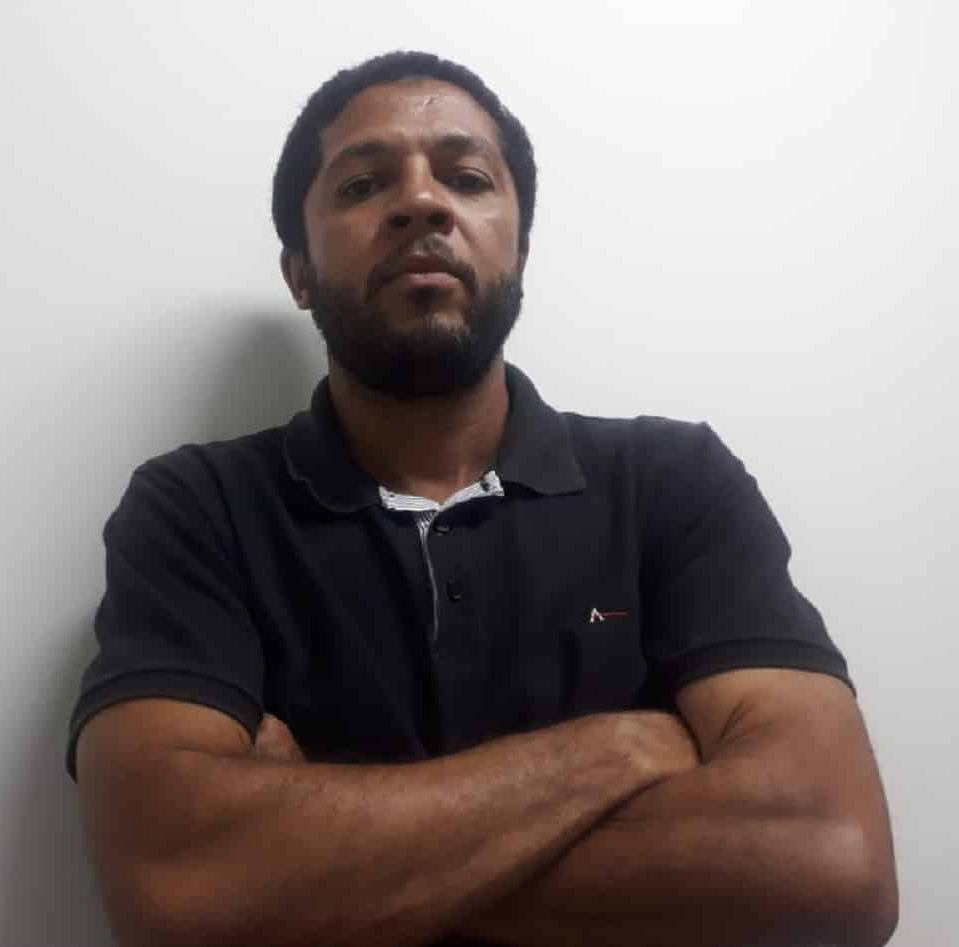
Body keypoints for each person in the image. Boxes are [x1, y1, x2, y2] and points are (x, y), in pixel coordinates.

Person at [67, 50, 898, 947]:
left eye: (466, 178)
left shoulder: (674, 481)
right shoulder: (199, 508)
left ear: (520, 249)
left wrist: (313, 869)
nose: (422, 203)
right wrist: (619, 750)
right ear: (298, 271)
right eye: (361, 185)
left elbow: (834, 866)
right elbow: (174, 886)